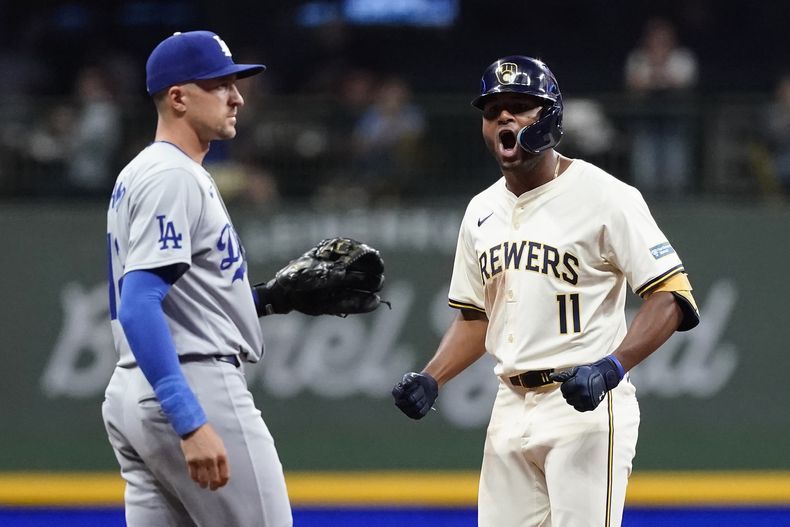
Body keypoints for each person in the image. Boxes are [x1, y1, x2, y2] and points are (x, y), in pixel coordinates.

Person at [392, 56, 700, 527]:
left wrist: (612, 367)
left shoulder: (605, 195)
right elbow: (477, 316)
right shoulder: (481, 210)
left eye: (520, 107)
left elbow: (672, 296)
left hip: (583, 404)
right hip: (509, 407)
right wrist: (434, 377)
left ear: (552, 116)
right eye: (494, 111)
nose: (505, 119)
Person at [102, 31, 384, 527]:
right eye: (220, 85)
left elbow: (182, 300)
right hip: (191, 382)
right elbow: (139, 302)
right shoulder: (174, 177)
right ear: (178, 97)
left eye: (235, 83)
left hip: (133, 392)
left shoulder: (144, 171)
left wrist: (269, 298)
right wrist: (189, 419)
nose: (237, 96)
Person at [624, 17, 698, 196]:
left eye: (663, 38)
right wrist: (658, 73)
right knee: (646, 175)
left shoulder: (682, 58)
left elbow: (683, 81)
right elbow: (635, 83)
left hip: (674, 120)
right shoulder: (638, 58)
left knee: (675, 173)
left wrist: (658, 70)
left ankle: (677, 203)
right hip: (646, 120)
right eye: (655, 38)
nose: (659, 42)